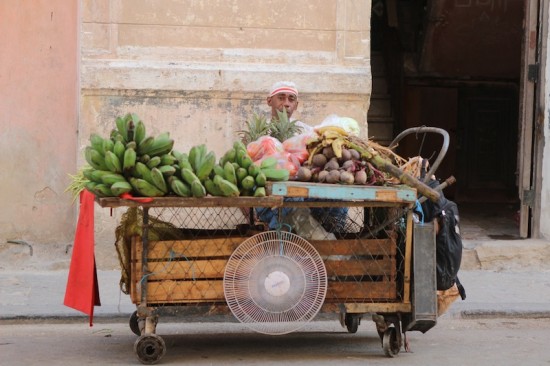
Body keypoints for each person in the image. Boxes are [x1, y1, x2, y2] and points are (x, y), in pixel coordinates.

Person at [256, 81, 348, 235]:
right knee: (292, 200)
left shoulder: (306, 131)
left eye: (291, 99)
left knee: (338, 199)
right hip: (271, 192)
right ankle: (280, 240)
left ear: (296, 105)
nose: (286, 104)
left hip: (302, 189)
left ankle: (333, 240)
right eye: (281, 98)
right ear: (269, 101)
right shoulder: (260, 135)